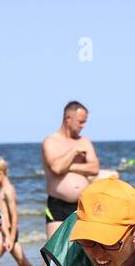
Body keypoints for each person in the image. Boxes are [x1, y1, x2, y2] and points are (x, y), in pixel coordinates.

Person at [42, 100, 101, 240]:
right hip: (57, 205)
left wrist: (71, 167)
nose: (83, 126)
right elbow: (57, 168)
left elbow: (94, 168)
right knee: (54, 253)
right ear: (68, 118)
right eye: (81, 122)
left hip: (82, 203)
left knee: (84, 248)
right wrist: (74, 151)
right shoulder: (51, 141)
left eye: (85, 122)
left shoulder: (85, 142)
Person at [0, 154, 41, 266]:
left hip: (7, 232)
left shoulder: (8, 190)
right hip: (6, 232)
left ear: (1, 173)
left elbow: (14, 215)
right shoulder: (1, 188)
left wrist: (10, 237)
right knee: (22, 262)